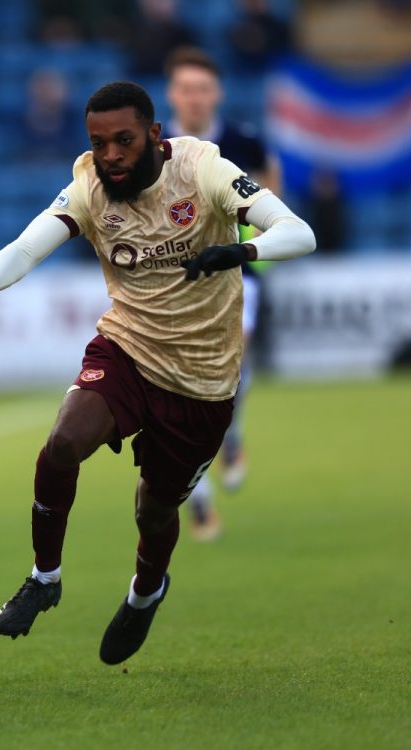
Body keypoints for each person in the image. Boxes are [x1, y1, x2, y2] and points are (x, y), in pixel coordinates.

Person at [0, 81, 314, 664]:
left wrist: (242, 250)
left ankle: (146, 591)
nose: (110, 154)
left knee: (153, 511)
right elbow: (27, 248)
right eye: (99, 142)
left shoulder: (203, 169)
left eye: (124, 141)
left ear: (154, 135)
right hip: (127, 349)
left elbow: (299, 232)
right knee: (63, 443)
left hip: (203, 380)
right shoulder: (88, 185)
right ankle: (44, 578)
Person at [165, 46, 282, 539]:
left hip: (236, 270)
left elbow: (272, 188)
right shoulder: (158, 147)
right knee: (176, 386)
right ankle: (199, 498)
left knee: (232, 361)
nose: (195, 97)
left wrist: (258, 239)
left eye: (203, 88)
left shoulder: (243, 142)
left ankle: (231, 435)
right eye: (186, 88)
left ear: (217, 94)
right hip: (173, 278)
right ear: (172, 93)